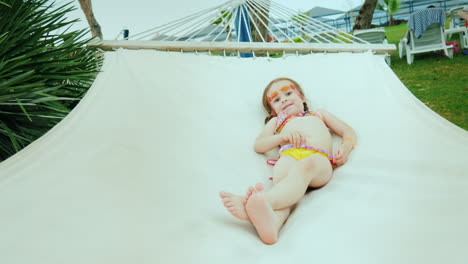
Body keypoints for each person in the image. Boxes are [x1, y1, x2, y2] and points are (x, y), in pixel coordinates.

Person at [219, 77, 357, 245]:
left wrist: (346, 148)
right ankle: (273, 224)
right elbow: (259, 145)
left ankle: (259, 203)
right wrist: (282, 137)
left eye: (288, 93)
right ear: (272, 111)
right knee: (288, 190)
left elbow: (347, 131)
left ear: (302, 97)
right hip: (288, 160)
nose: (283, 99)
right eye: (276, 99)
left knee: (305, 166)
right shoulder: (276, 122)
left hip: (316, 160)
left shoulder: (319, 114)